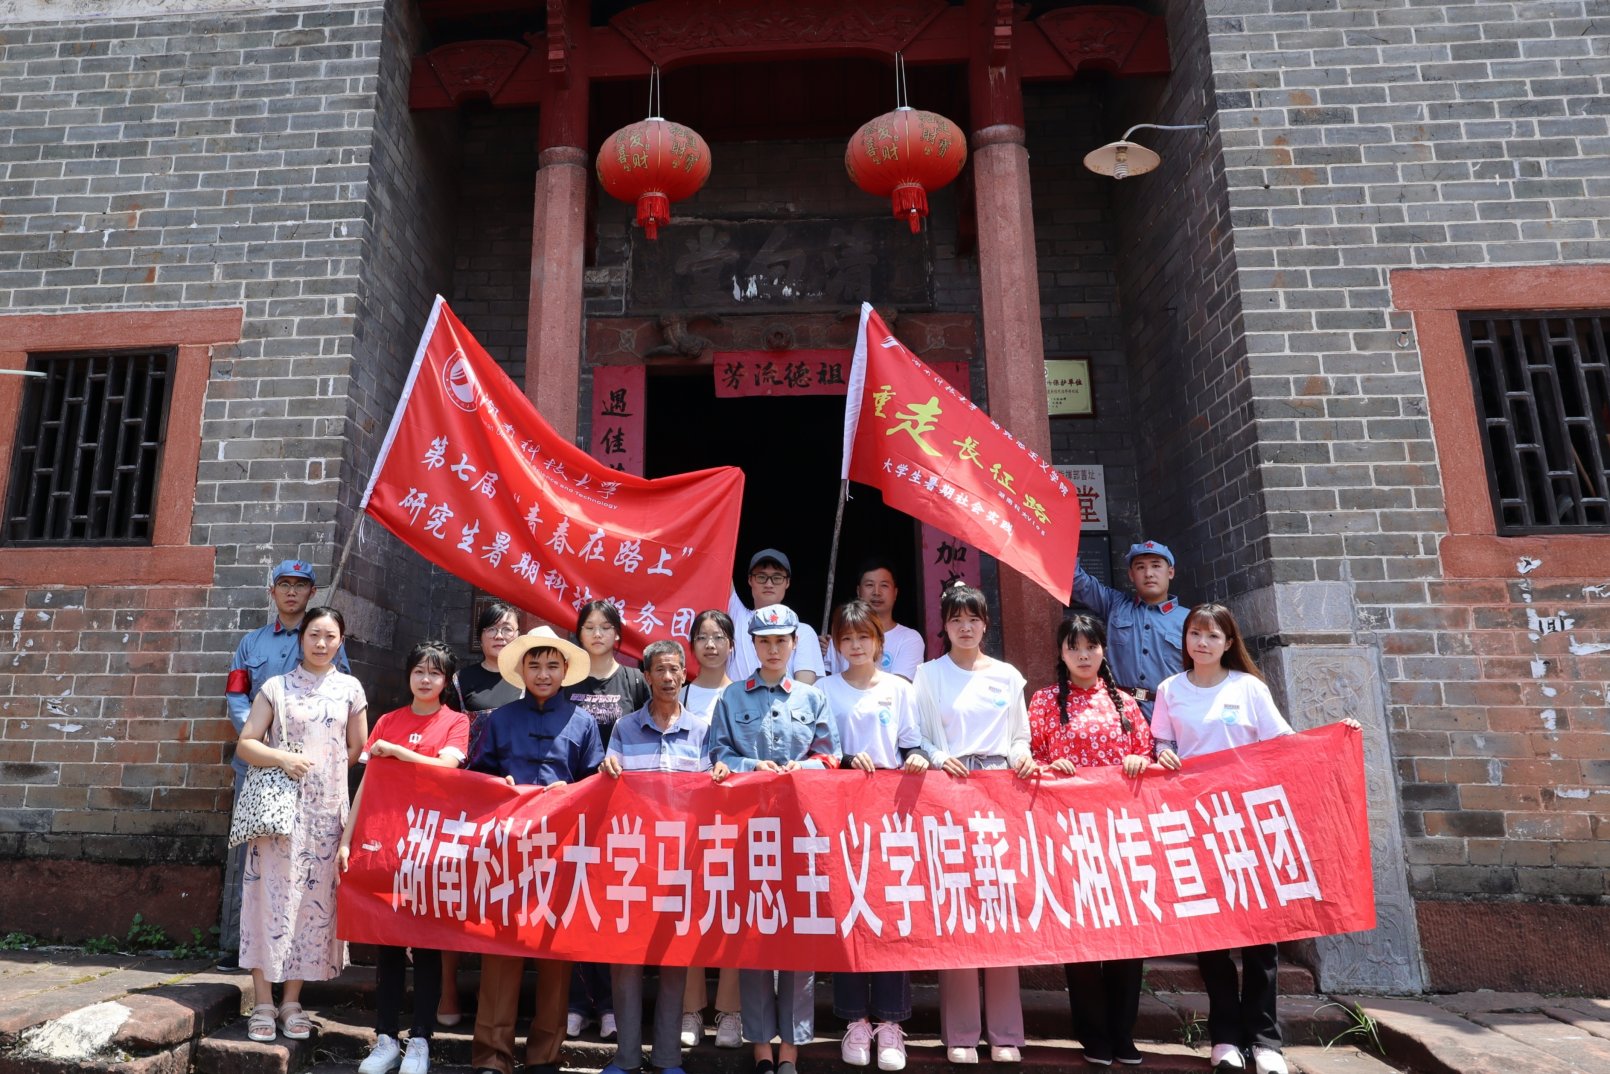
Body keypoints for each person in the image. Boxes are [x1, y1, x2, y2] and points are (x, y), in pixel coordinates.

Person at [1150, 603, 1360, 1074]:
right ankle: (1225, 1037)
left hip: (1248, 823)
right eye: (1195, 634)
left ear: (1229, 643)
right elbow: (1162, 742)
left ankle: (1266, 1041)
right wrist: (1164, 754)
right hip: (1199, 822)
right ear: (1185, 639)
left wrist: (1335, 737)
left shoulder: (1248, 687)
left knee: (1261, 938)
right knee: (1212, 938)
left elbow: (1285, 744)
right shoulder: (1170, 690)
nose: (1202, 643)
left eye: (1212, 635)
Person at [709, 604, 841, 1074]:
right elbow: (716, 754)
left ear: (794, 644)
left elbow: (831, 758)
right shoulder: (731, 698)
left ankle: (792, 1047)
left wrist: (799, 769)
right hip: (749, 834)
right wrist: (751, 766)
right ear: (752, 645)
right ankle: (762, 1045)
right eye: (764, 642)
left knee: (799, 942)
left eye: (781, 641)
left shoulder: (812, 697)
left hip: (802, 836)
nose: (772, 649)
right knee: (755, 938)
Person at [467, 626, 604, 1074]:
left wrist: (574, 791)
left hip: (561, 853)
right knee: (500, 954)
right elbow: (477, 777)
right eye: (535, 666)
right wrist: (498, 784)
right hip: (507, 852)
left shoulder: (583, 723)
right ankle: (492, 1057)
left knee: (555, 954)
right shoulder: (500, 719)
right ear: (522, 670)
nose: (543, 674)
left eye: (551, 666)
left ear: (565, 671)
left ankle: (545, 1055)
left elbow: (594, 786)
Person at [912, 583, 1035, 1066]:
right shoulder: (928, 675)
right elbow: (918, 736)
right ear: (944, 625)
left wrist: (1020, 756)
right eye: (956, 619)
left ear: (986, 623)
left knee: (1001, 906)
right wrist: (937, 756)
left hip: (1000, 794)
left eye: (974, 619)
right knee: (958, 906)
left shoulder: (1007, 676)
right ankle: (961, 1031)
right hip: (949, 793)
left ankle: (1006, 1032)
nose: (966, 627)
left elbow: (1020, 735)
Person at [598, 640, 732, 1074]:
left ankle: (668, 1058)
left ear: (683, 675)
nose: (669, 678)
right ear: (647, 676)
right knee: (626, 960)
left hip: (681, 863)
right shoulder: (624, 729)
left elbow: (712, 791)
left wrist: (720, 774)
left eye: (676, 669)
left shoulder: (701, 730)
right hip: (633, 862)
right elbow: (609, 782)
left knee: (675, 960)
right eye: (660, 670)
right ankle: (626, 1057)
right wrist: (606, 770)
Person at [234, 606, 367, 1043]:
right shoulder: (276, 687)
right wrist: (283, 759)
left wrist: (327, 776)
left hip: (326, 817)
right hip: (278, 814)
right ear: (301, 638)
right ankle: (262, 1001)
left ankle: (291, 1001)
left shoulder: (350, 689)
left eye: (330, 636)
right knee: (267, 901)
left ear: (340, 641)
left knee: (310, 907)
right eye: (314, 635)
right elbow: (247, 743)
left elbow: (357, 748)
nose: (322, 643)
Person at [1027, 615, 1153, 1068]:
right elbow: (1030, 759)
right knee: (1082, 936)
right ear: (1061, 653)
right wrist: (1048, 768)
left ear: (1103, 650)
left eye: (1091, 646)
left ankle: (1123, 1032)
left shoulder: (1125, 702)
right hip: (1069, 834)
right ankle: (1093, 1034)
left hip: (1121, 833)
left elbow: (1147, 751)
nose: (1083, 655)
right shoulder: (1044, 701)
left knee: (1126, 935)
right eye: (1073, 647)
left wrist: (1140, 760)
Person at [342, 641, 470, 1074]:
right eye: (419, 671)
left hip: (432, 844)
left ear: (446, 681)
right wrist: (347, 838)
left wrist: (398, 752)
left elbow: (447, 767)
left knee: (428, 945)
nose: (426, 679)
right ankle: (385, 1039)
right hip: (387, 842)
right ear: (409, 675)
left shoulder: (455, 722)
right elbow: (367, 784)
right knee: (389, 944)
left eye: (435, 673)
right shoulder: (388, 721)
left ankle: (420, 1040)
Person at [219, 558, 350, 973]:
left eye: (300, 585)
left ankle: (293, 955)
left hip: (309, 777)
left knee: (305, 863)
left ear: (312, 592)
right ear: (272, 591)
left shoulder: (322, 638)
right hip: (259, 769)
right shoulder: (251, 643)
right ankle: (238, 946)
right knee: (252, 857)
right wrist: (264, 744)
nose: (292, 592)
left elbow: (340, 705)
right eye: (284, 584)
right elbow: (237, 694)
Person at [818, 601, 932, 1072]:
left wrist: (919, 756)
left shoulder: (899, 689)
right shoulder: (823, 689)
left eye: (863, 636)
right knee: (849, 913)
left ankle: (890, 1022)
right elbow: (817, 749)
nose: (856, 645)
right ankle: (854, 1020)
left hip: (890, 817)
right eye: (846, 638)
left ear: (880, 642)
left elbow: (911, 741)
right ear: (835, 646)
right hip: (839, 815)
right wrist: (844, 760)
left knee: (889, 913)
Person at [564, 600, 649, 1040]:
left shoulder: (634, 680)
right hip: (574, 809)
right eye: (589, 627)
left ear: (618, 635)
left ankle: (613, 1005)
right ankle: (578, 1004)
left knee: (614, 905)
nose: (597, 634)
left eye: (605, 627)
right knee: (578, 904)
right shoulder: (566, 678)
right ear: (579, 633)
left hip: (624, 813)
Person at [439, 601, 523, 1027]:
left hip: (515, 798)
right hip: (466, 795)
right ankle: (448, 989)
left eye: (508, 629)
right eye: (492, 628)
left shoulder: (528, 678)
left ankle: (501, 997)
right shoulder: (461, 680)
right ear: (480, 635)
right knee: (458, 890)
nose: (500, 636)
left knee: (505, 891)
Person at [675, 608, 744, 1051]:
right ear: (692, 646)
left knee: (734, 913)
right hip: (686, 821)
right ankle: (690, 1009)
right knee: (691, 912)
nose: (711, 645)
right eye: (703, 637)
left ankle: (731, 1011)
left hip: (737, 820)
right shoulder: (678, 692)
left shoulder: (744, 694)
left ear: (732, 646)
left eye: (719, 637)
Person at [1071, 541, 1190, 722]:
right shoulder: (1115, 605)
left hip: (1168, 713)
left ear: (1170, 572)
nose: (1148, 573)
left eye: (1156, 566)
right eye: (1140, 567)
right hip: (1118, 711)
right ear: (1131, 575)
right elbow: (1078, 582)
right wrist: (1068, 540)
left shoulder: (1189, 620)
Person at [727, 549, 825, 685]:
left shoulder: (803, 631)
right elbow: (719, 563)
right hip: (737, 698)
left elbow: (804, 689)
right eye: (761, 577)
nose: (769, 584)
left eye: (777, 578)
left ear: (787, 582)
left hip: (786, 699)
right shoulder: (736, 616)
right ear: (750, 580)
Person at [824, 559, 925, 680]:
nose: (876, 592)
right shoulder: (840, 637)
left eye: (884, 585)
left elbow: (899, 687)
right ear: (858, 591)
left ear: (895, 593)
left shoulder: (909, 638)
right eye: (869, 585)